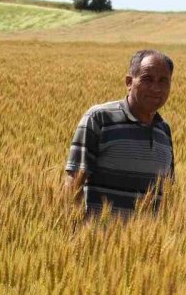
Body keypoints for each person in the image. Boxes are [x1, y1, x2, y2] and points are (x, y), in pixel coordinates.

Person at [65, 49, 175, 216]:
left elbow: (167, 192)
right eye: (147, 79)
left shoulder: (164, 131)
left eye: (163, 81)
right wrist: (73, 229)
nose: (155, 88)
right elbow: (74, 182)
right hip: (96, 239)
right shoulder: (99, 118)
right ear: (129, 82)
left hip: (149, 240)